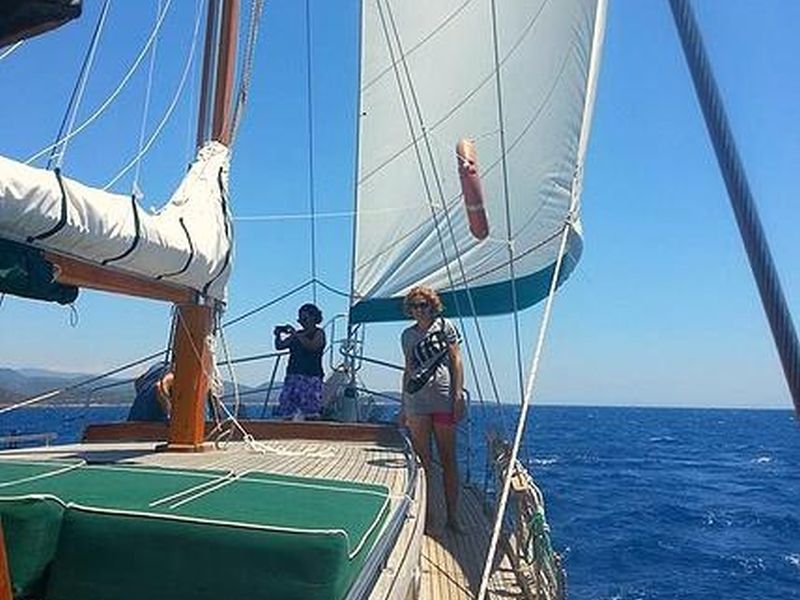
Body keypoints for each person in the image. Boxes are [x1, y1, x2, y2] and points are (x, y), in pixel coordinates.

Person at [400, 286, 465, 532]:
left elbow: (456, 361)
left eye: (423, 305)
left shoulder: (446, 327)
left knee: (448, 459)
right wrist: (404, 405)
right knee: (423, 461)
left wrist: (457, 395)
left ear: (432, 306)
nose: (419, 310)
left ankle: (453, 516)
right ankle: (427, 516)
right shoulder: (407, 335)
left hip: (443, 398)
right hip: (417, 401)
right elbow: (408, 369)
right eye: (414, 306)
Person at [273, 303, 326, 420]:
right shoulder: (298, 334)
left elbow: (312, 346)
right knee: (287, 407)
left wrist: (295, 335)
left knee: (310, 409)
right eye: (300, 319)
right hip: (293, 374)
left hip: (311, 376)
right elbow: (280, 346)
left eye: (304, 319)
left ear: (313, 318)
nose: (302, 322)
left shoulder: (318, 333)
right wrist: (278, 335)